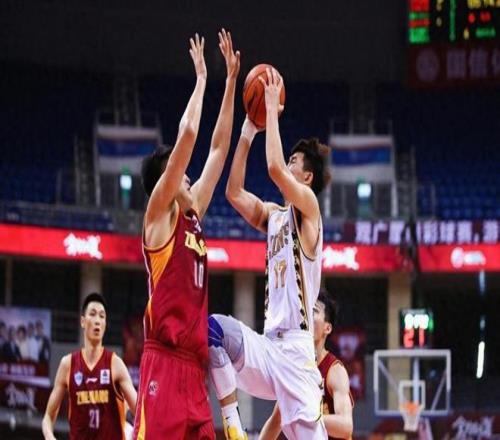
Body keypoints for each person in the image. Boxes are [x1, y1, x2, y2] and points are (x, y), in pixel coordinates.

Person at [208, 68, 330, 440]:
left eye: (296, 162)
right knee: (213, 330)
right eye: (290, 159)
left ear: (307, 177)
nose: (288, 164)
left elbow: (275, 168)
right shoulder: (275, 216)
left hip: (296, 354)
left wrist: (272, 110)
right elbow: (233, 192)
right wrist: (248, 130)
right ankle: (233, 425)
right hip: (268, 346)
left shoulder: (309, 210)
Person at [132, 29, 240, 440]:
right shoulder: (158, 214)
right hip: (164, 362)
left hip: (195, 372)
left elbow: (218, 149)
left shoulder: (192, 213)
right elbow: (190, 136)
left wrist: (231, 83)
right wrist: (201, 80)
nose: (189, 174)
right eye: (180, 170)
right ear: (166, 177)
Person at [259, 290, 354, 440]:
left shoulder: (335, 370)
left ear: (327, 328)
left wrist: (307, 416)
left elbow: (346, 426)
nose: (307, 316)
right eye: (306, 311)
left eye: (314, 311)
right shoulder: (296, 368)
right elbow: (276, 420)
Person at [42, 293, 137, 440]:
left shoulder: (115, 364)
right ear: (83, 321)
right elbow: (48, 416)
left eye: (102, 316)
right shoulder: (68, 364)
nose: (97, 320)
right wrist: (50, 437)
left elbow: (140, 412)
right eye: (92, 314)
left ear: (105, 324)